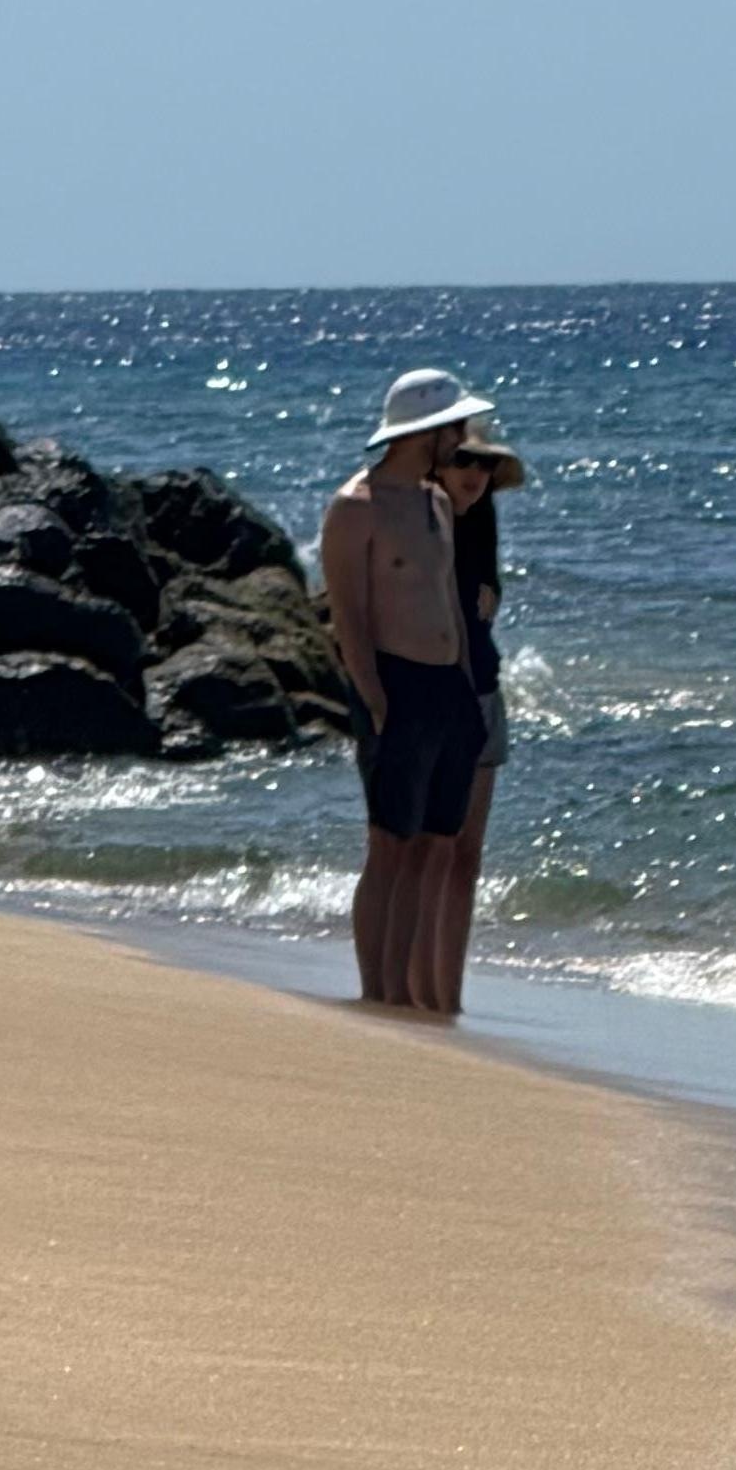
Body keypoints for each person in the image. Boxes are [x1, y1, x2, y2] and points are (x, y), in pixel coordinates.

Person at [317, 371, 526, 1017]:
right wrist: (375, 700)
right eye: (454, 429)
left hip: (449, 688)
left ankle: (406, 995)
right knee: (389, 847)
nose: (464, 439)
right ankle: (376, 991)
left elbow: (450, 605)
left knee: (434, 847)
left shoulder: (437, 505)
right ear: (424, 431)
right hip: (395, 684)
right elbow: (348, 616)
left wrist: (465, 685)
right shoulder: (358, 506)